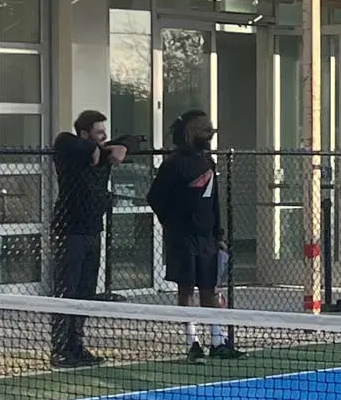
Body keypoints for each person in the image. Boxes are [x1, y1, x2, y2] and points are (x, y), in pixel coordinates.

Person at [147, 110, 243, 363]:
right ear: (190, 132)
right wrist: (174, 224)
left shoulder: (208, 162)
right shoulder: (174, 163)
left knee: (209, 289)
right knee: (186, 288)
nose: (210, 134)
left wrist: (218, 234)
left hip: (207, 239)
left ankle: (217, 340)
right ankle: (193, 343)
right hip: (182, 239)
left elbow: (214, 202)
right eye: (205, 130)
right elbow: (155, 197)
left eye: (211, 130)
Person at [50, 110, 136, 368]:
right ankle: (60, 350)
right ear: (86, 133)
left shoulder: (105, 152)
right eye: (98, 132)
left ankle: (77, 346)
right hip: (69, 231)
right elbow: (65, 140)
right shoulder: (68, 149)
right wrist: (92, 148)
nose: (104, 136)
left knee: (85, 292)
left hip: (92, 231)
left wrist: (122, 146)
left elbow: (133, 140)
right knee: (67, 290)